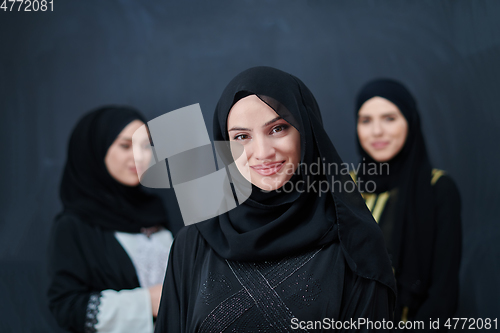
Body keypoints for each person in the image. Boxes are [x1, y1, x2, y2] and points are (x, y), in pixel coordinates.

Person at [154, 66, 396, 332]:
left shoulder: (355, 245)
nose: (262, 152)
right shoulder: (193, 243)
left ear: (307, 131)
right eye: (242, 137)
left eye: (278, 128)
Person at [47, 106, 179, 333]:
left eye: (146, 146)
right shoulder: (74, 225)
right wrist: (146, 302)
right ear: (97, 149)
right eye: (125, 145)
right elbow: (66, 307)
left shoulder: (156, 211)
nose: (139, 156)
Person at [352, 79, 462, 330]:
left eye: (389, 118)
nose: (376, 131)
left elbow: (443, 296)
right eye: (366, 120)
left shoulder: (438, 189)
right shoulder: (345, 187)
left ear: (410, 122)